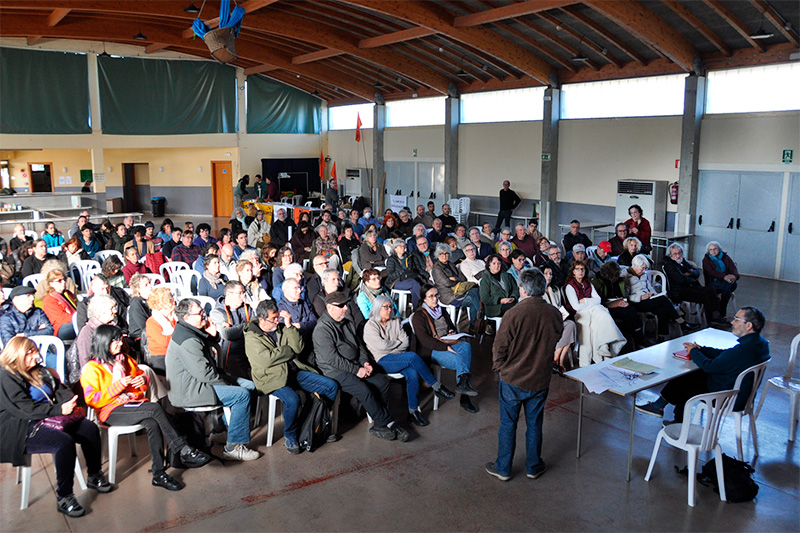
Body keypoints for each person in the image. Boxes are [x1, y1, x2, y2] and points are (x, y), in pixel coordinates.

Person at [81, 325, 211, 491]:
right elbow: (92, 400)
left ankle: (159, 474)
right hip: (110, 411)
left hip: (132, 405)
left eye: (119, 339)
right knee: (154, 409)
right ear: (103, 342)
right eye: (114, 340)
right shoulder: (93, 368)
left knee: (152, 422)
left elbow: (140, 377)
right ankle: (183, 449)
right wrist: (118, 386)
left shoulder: (124, 360)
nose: (119, 343)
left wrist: (143, 381)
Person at [0, 337, 111, 518]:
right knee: (63, 442)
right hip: (21, 426)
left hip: (50, 417)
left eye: (36, 351)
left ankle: (94, 474)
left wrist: (68, 401)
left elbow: (59, 389)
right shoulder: (6, 376)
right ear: (17, 355)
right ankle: (64, 496)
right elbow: (23, 408)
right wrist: (58, 409)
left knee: (89, 428)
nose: (36, 356)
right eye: (31, 353)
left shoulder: (39, 371)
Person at [485, 268, 562, 482]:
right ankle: (533, 466)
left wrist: (500, 368)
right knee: (535, 423)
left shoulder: (513, 314)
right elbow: (557, 336)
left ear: (523, 290)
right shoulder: (554, 313)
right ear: (542, 289)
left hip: (513, 379)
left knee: (508, 424)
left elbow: (499, 347)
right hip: (539, 378)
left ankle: (503, 468)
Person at [636, 307, 771, 424]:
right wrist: (702, 349)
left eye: (737, 319)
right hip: (740, 394)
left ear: (748, 325)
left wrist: (694, 351)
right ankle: (662, 408)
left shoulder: (742, 350)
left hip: (726, 397)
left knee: (689, 379)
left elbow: (709, 366)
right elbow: (725, 354)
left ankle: (675, 419)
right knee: (692, 375)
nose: (732, 322)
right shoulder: (760, 344)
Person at [166, 298, 260, 461]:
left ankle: (220, 431)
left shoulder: (187, 329)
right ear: (187, 318)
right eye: (200, 313)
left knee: (250, 386)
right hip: (191, 389)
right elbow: (206, 375)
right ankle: (234, 447)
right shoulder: (188, 340)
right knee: (242, 394)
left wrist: (213, 335)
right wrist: (230, 384)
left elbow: (206, 351)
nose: (204, 315)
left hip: (199, 381)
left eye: (203, 310)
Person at [313, 291, 410, 442]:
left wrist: (365, 362)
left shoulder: (347, 321)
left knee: (383, 382)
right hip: (335, 371)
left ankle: (379, 422)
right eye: (342, 305)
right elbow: (332, 359)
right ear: (330, 307)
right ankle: (389, 422)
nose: (346, 308)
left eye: (346, 304)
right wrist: (356, 370)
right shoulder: (322, 329)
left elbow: (359, 346)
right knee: (363, 389)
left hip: (355, 364)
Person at [364, 295, 455, 426]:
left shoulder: (395, 321)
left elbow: (405, 342)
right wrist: (397, 343)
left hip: (400, 358)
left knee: (412, 374)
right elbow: (381, 346)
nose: (389, 309)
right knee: (412, 357)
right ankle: (436, 386)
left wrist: (392, 344)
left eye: (390, 306)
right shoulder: (370, 325)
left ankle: (413, 411)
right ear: (378, 308)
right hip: (382, 360)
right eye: (386, 307)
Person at [412, 284, 478, 413]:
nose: (435, 299)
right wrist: (446, 347)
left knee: (465, 346)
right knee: (462, 361)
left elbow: (451, 326)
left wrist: (451, 331)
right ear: (424, 299)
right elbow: (425, 341)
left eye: (436, 295)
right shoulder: (418, 316)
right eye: (431, 296)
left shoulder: (441, 310)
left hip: (447, 342)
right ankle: (464, 397)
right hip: (431, 349)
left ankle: (463, 384)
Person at [564, 261, 627, 367]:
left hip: (594, 309)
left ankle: (604, 346)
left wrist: (585, 300)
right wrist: (590, 301)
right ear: (573, 272)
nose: (580, 271)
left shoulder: (588, 283)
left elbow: (598, 300)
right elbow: (577, 307)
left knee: (604, 316)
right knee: (590, 325)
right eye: (577, 269)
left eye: (582, 269)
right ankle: (598, 351)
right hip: (580, 314)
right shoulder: (570, 286)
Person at [625, 255, 694, 337]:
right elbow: (626, 297)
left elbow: (649, 286)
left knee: (661, 310)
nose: (644, 271)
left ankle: (662, 336)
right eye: (642, 268)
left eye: (645, 268)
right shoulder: (626, 276)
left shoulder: (643, 274)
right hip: (636, 302)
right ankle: (682, 323)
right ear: (635, 266)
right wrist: (640, 297)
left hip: (648, 299)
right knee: (663, 300)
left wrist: (654, 294)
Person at [663, 243, 726, 326]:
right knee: (709, 291)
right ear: (670, 255)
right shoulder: (669, 265)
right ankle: (715, 317)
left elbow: (697, 272)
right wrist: (690, 276)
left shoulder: (683, 261)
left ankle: (712, 319)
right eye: (675, 254)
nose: (678, 256)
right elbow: (680, 279)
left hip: (689, 287)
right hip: (679, 292)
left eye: (680, 253)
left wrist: (688, 273)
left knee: (708, 295)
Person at [592, 261, 645, 350]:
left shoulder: (618, 280)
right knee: (629, 312)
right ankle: (637, 338)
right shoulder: (598, 281)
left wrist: (623, 301)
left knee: (631, 309)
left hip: (618, 303)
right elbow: (599, 300)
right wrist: (614, 303)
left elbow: (621, 294)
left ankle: (634, 337)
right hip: (605, 307)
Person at [431, 243, 480, 333]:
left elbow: (462, 278)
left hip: (459, 291)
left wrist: (455, 279)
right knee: (474, 299)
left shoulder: (451, 264)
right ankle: (479, 321)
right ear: (438, 255)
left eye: (446, 253)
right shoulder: (436, 268)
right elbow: (447, 283)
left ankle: (474, 324)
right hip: (448, 295)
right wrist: (456, 280)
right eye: (442, 254)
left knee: (474, 291)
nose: (444, 256)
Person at [209, 281, 253, 379]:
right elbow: (227, 335)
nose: (243, 297)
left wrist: (235, 329)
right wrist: (248, 325)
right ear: (228, 294)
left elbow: (256, 325)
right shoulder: (217, 312)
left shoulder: (246, 308)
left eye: (244, 293)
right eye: (240, 293)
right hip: (232, 354)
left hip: (250, 349)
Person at [0, 286, 54, 360]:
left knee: (57, 361)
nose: (32, 298)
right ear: (16, 299)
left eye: (32, 295)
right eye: (28, 296)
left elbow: (50, 330)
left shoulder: (38, 312)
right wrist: (38, 331)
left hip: (42, 352)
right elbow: (9, 343)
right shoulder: (7, 318)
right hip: (19, 356)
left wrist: (24, 335)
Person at [541, 266, 577, 374]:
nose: (549, 276)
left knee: (571, 324)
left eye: (550, 274)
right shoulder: (538, 291)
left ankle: (557, 358)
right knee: (568, 327)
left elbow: (560, 305)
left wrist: (560, 312)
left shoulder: (555, 289)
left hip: (558, 318)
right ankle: (559, 362)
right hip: (546, 321)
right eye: (546, 273)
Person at [702, 241, 739, 317]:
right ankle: (722, 312)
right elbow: (711, 272)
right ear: (708, 251)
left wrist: (734, 276)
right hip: (713, 283)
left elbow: (733, 268)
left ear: (719, 249)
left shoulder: (725, 257)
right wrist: (725, 277)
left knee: (732, 284)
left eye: (715, 249)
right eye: (711, 249)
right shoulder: (706, 260)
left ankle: (719, 310)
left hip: (727, 282)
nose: (713, 251)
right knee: (728, 292)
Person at [385, 240, 425, 311]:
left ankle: (417, 310)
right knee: (413, 283)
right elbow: (390, 274)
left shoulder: (409, 257)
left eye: (404, 246)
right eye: (400, 246)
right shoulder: (391, 259)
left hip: (409, 278)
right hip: (396, 281)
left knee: (414, 289)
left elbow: (415, 269)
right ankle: (425, 301)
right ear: (395, 248)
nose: (403, 248)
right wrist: (402, 272)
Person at [41, 269, 78, 342]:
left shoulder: (68, 293)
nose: (63, 282)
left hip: (74, 319)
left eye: (64, 279)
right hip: (60, 328)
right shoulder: (49, 299)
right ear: (51, 284)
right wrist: (80, 317)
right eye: (59, 281)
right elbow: (62, 319)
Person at [127, 273, 153, 345]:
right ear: (138, 289)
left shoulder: (149, 300)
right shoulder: (136, 304)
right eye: (146, 285)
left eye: (149, 283)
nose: (150, 286)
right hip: (140, 339)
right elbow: (144, 326)